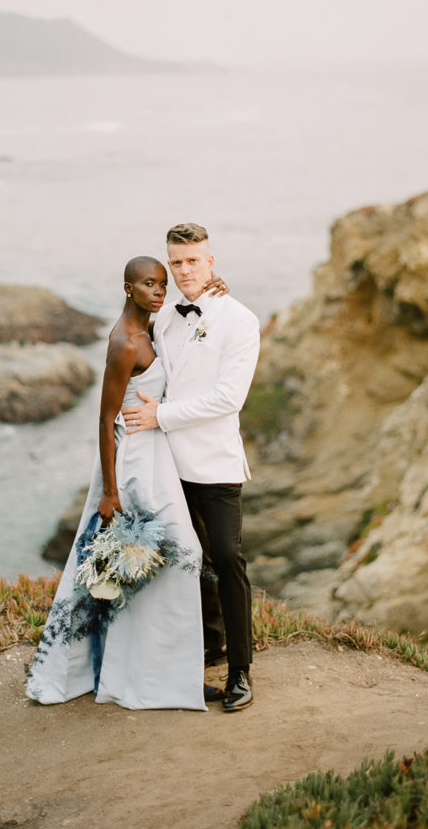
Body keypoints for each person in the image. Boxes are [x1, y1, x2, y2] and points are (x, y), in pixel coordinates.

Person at [26, 256, 224, 710]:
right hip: (135, 463)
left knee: (156, 568)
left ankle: (164, 676)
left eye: (162, 283)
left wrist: (215, 291)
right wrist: (111, 493)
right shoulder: (124, 343)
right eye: (149, 284)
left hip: (158, 457)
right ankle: (158, 679)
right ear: (127, 288)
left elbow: (187, 321)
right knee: (175, 559)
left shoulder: (155, 327)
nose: (159, 291)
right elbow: (104, 419)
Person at [122, 224, 260, 712]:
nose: (183, 272)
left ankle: (241, 671)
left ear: (211, 261)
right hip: (165, 464)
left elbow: (228, 398)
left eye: (193, 262)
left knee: (226, 560)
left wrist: (160, 415)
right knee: (187, 565)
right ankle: (207, 650)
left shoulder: (240, 320)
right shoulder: (164, 320)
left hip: (214, 463)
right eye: (176, 262)